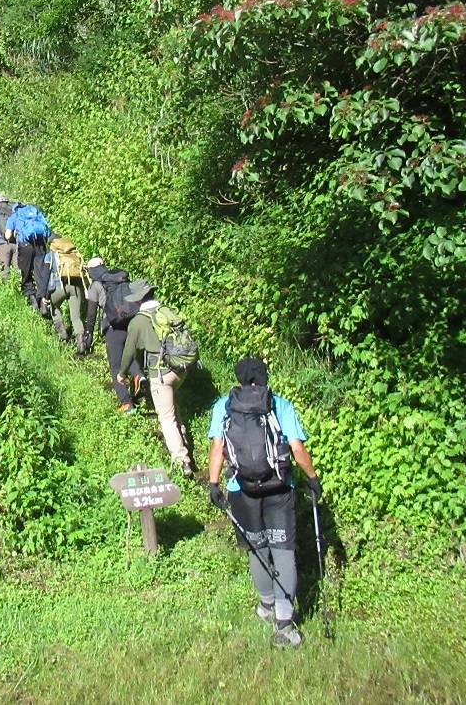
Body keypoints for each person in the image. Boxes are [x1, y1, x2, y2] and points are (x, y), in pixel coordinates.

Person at [207, 357, 322, 649]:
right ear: (265, 376)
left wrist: (213, 483)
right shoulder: (280, 404)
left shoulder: (224, 405)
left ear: (239, 379)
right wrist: (312, 478)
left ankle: (266, 605)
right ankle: (284, 623)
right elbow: (296, 447)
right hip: (280, 488)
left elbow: (218, 448)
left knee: (256, 547)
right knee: (282, 549)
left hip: (241, 489)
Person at [116, 297, 194, 477]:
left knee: (166, 417)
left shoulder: (138, 321)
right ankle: (182, 438)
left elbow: (129, 351)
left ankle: (182, 460)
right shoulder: (167, 311)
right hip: (180, 369)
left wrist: (122, 373)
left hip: (160, 373)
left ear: (138, 300)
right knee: (172, 403)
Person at [81, 257, 147, 414]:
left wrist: (89, 332)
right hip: (130, 323)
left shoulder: (96, 285)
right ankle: (139, 376)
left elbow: (91, 313)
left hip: (113, 327)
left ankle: (126, 403)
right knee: (129, 355)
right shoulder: (119, 279)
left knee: (116, 364)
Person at [43, 237, 87, 352]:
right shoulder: (74, 253)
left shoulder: (50, 255)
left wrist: (44, 294)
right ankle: (81, 343)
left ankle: (62, 332)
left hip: (59, 287)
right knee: (76, 317)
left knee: (54, 306)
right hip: (76, 287)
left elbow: (46, 275)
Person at [6, 203, 50, 305]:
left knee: (26, 273)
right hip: (40, 244)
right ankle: (43, 299)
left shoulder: (14, 216)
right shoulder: (36, 214)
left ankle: (31, 298)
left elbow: (8, 235)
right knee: (40, 272)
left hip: (25, 246)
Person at [0, 195, 18, 281]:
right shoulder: (13, 212)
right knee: (18, 269)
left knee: (4, 271)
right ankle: (22, 290)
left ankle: (7, 291)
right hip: (15, 243)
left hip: (2, 244)